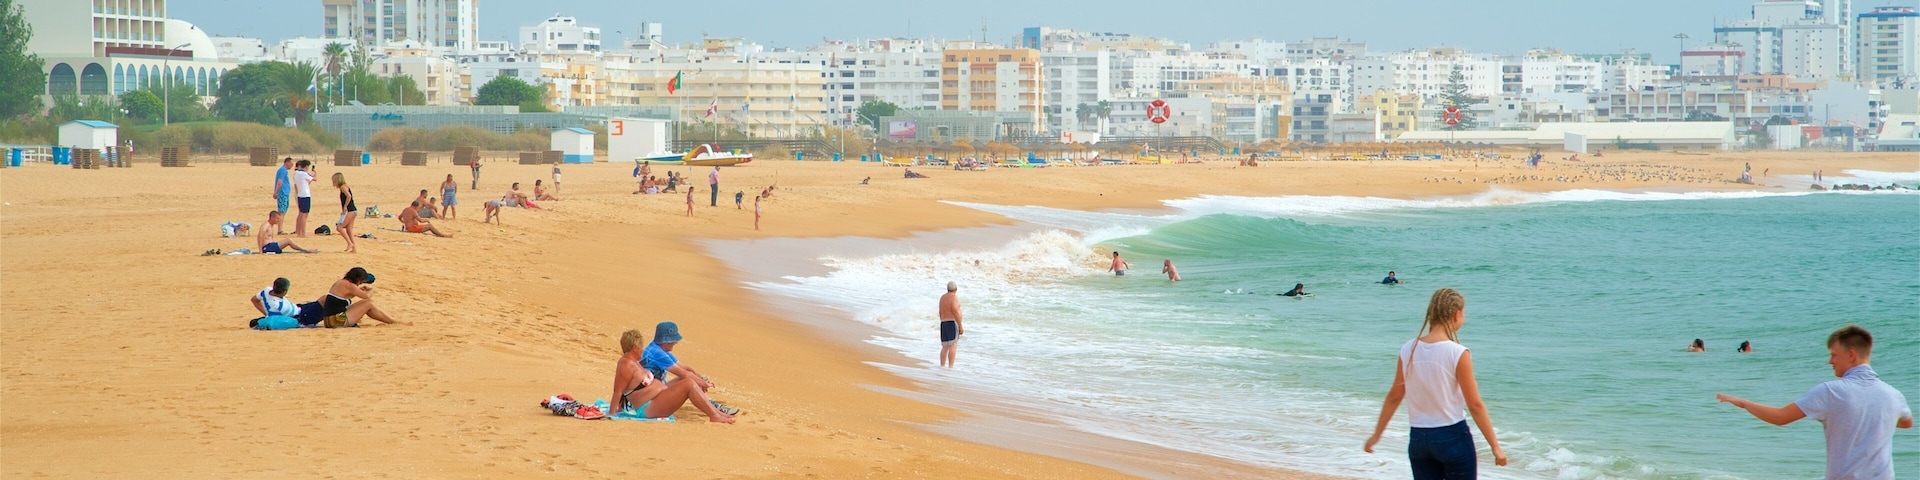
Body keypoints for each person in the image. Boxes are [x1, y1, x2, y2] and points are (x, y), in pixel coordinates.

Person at [1715, 325, 1912, 480]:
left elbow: (1780, 417)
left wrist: (1742, 402)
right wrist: (1875, 415)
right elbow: (1906, 422)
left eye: (1834, 354)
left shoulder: (1831, 391)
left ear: (1851, 355)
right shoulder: (1893, 394)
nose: (1830, 361)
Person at [1364, 288, 1508, 478]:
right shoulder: (1458, 352)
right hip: (1452, 436)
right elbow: (1474, 404)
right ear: (1457, 315)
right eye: (1463, 313)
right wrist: (1495, 447)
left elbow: (1394, 396)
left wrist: (1376, 435)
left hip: (1419, 439)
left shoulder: (1408, 348)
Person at [611, 329, 734, 423]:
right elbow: (618, 390)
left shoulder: (633, 362)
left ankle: (717, 412)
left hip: (656, 399)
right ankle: (715, 416)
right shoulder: (625, 364)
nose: (643, 350)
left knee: (687, 380)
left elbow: (626, 390)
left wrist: (621, 407)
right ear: (635, 348)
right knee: (689, 383)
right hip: (649, 407)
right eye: (641, 348)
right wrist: (611, 414)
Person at [641, 322, 742, 415]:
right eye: (673, 340)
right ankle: (714, 411)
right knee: (689, 382)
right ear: (665, 340)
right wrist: (704, 384)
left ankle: (712, 405)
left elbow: (687, 369)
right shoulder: (656, 353)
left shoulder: (660, 349)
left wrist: (702, 378)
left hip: (656, 390)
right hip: (648, 397)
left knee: (691, 379)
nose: (676, 342)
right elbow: (684, 374)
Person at [292, 267, 408, 327]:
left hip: (330, 320)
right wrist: (371, 289)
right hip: (336, 321)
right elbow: (366, 297)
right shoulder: (350, 285)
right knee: (369, 304)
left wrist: (358, 289)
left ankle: (391, 321)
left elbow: (347, 294)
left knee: (364, 306)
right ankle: (393, 322)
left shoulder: (341, 283)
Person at [938, 281, 964, 368]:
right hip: (951, 322)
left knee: (945, 346)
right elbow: (955, 311)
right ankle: (951, 366)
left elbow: (940, 312)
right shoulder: (954, 297)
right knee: (953, 345)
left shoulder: (942, 298)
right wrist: (960, 325)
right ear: (956, 289)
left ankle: (942, 365)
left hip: (943, 322)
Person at [332, 172, 358, 253]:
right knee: (349, 230)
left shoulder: (343, 187)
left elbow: (349, 196)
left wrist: (345, 207)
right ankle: (354, 248)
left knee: (339, 227)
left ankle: (349, 243)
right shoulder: (344, 186)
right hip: (353, 210)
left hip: (350, 210)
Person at [292, 160, 315, 237]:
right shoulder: (304, 174)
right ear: (306, 166)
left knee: (301, 214)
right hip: (305, 195)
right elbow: (314, 179)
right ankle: (303, 233)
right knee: (304, 215)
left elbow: (306, 182)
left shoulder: (296, 173)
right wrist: (315, 173)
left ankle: (299, 232)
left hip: (300, 195)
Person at [273, 157, 293, 231]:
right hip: (282, 192)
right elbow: (280, 182)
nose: (292, 165)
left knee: (283, 211)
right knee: (281, 212)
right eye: (291, 163)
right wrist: (276, 192)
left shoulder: (284, 171)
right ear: (286, 162)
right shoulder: (282, 170)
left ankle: (280, 229)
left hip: (285, 192)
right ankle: (280, 230)